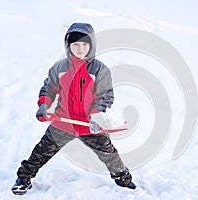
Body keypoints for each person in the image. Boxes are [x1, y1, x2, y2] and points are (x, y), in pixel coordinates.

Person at [11, 22, 136, 195]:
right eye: (75, 44)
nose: (80, 48)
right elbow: (48, 89)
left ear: (91, 46)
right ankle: (24, 177)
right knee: (40, 152)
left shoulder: (99, 70)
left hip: (90, 125)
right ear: (68, 45)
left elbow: (105, 96)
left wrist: (96, 116)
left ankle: (124, 179)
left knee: (109, 153)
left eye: (85, 44)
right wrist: (43, 106)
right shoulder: (59, 68)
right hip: (63, 123)